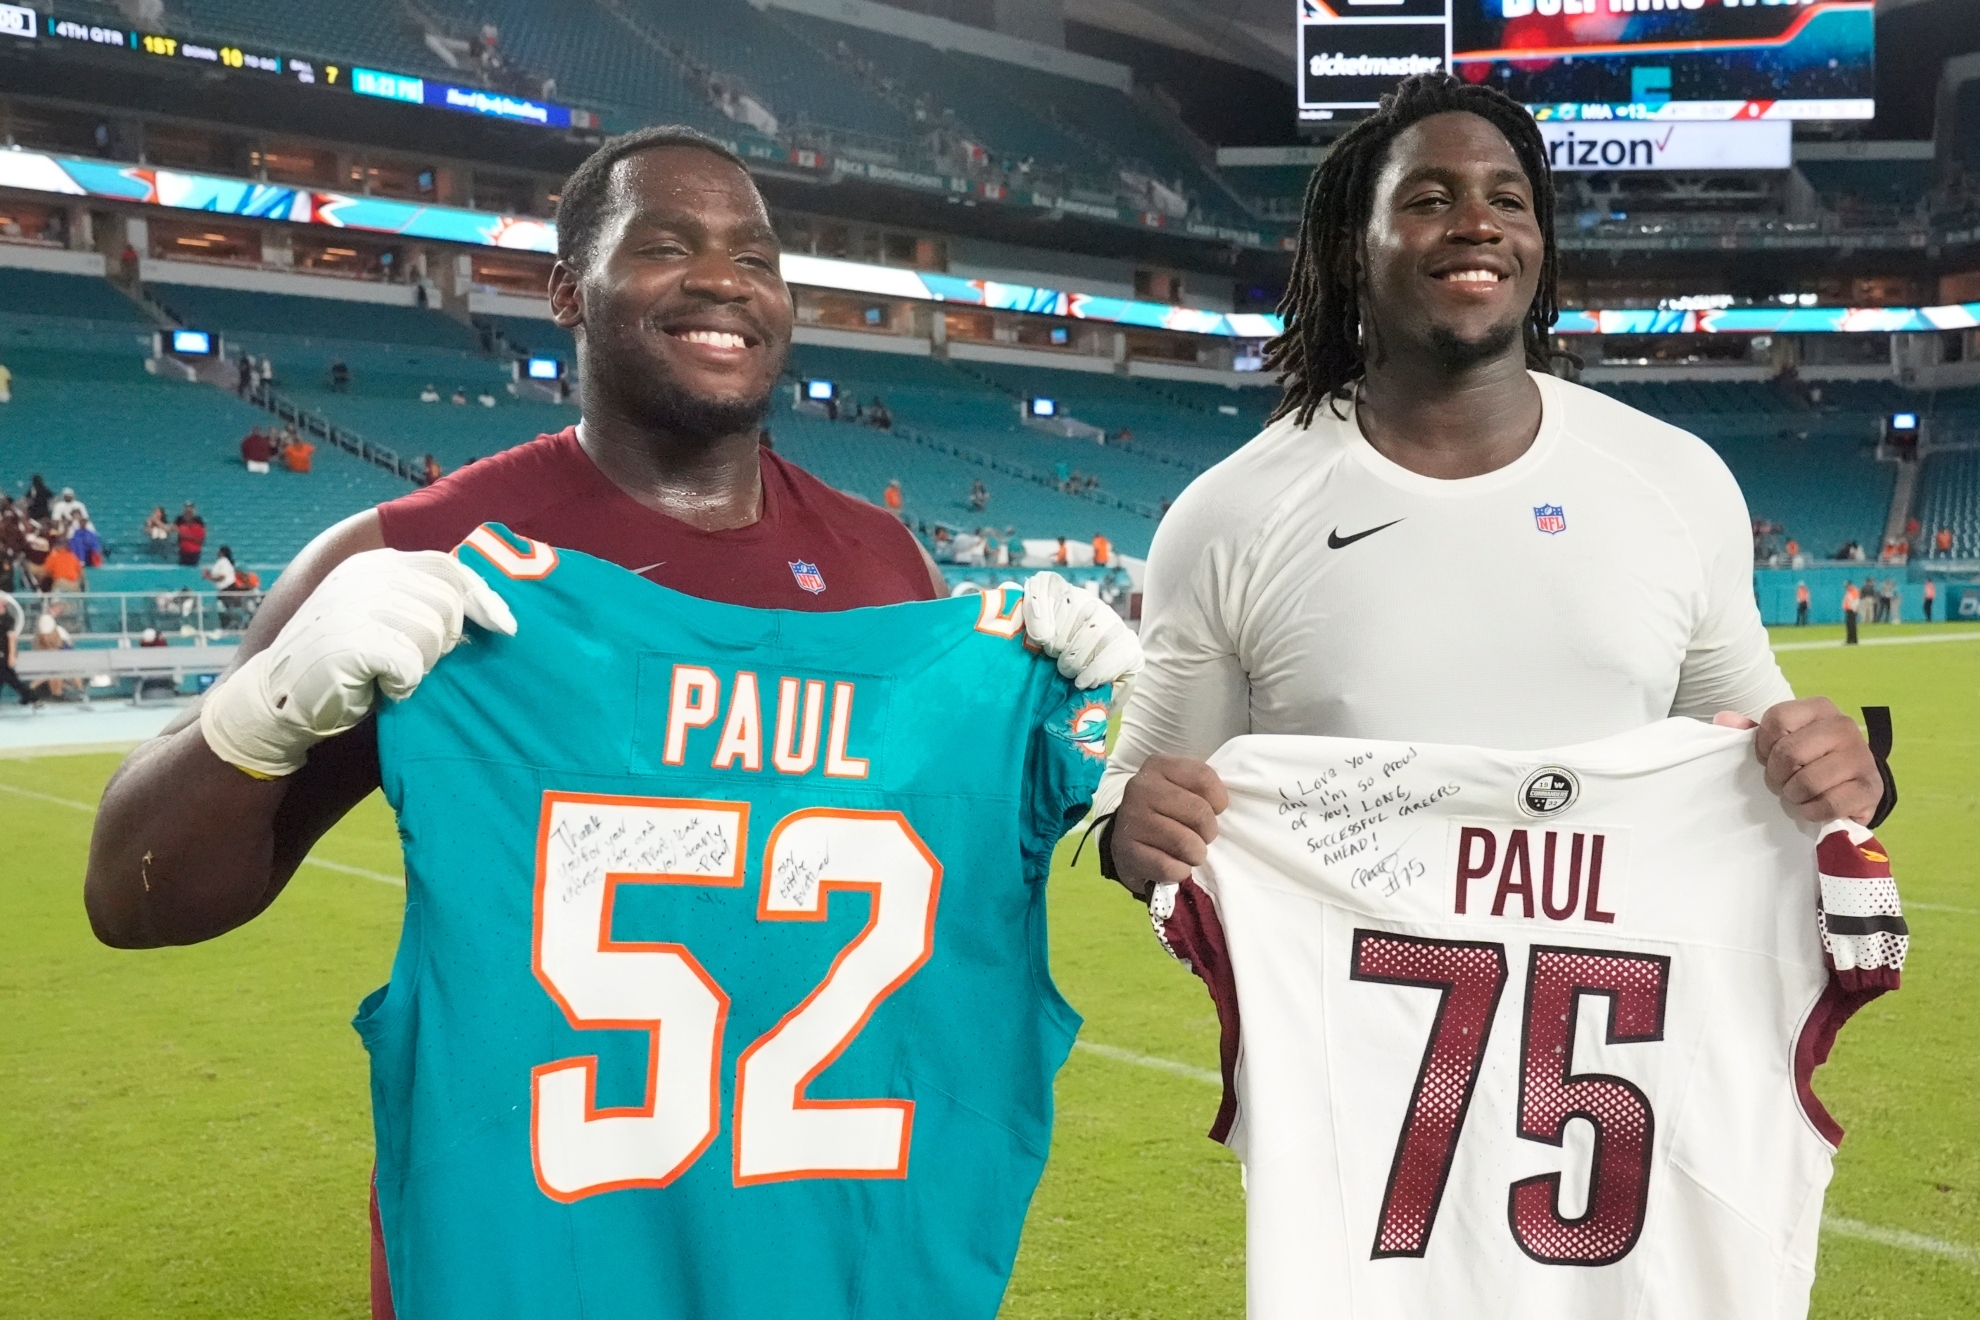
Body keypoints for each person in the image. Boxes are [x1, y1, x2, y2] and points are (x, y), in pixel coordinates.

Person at [81, 124, 1138, 1320]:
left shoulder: (888, 568)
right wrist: (261, 717)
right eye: (668, 245)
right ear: (568, 292)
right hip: (534, 1274)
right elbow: (131, 899)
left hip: (828, 1270)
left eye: (757, 256)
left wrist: (1093, 759)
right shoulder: (419, 556)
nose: (725, 280)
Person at [1099, 72, 1882, 902]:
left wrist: (1840, 773)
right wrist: (1127, 834)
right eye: (1430, 200)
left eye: (1509, 201)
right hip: (1345, 990)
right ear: (1351, 248)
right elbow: (1146, 803)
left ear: (1539, 246)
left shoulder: (1675, 480)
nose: (1479, 224)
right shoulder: (1230, 515)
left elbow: (1763, 765)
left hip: (1620, 984)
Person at [0, 594, 38, 705]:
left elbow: (12, 638)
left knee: (7, 676)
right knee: (8, 677)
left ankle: (30, 695)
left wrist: (12, 655)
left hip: (4, 652)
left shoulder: (8, 619)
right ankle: (29, 696)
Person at [1843, 580, 1860, 645]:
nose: (1846, 588)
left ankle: (1853, 640)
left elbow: (1856, 601)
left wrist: (1854, 609)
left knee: (1852, 626)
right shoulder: (1849, 591)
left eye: (1847, 586)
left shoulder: (1854, 591)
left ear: (1850, 585)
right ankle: (1850, 640)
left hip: (1852, 610)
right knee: (1849, 626)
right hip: (1849, 610)